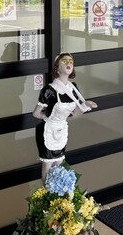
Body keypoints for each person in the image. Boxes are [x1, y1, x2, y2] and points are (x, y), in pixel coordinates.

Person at [33, 52, 97, 183]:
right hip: (48, 130)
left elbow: (75, 114)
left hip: (62, 129)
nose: (68, 63)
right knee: (47, 164)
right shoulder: (49, 90)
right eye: (64, 61)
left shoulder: (73, 89)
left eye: (70, 61)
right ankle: (47, 192)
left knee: (60, 163)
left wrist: (85, 105)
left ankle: (60, 191)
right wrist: (50, 118)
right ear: (56, 68)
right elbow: (36, 114)